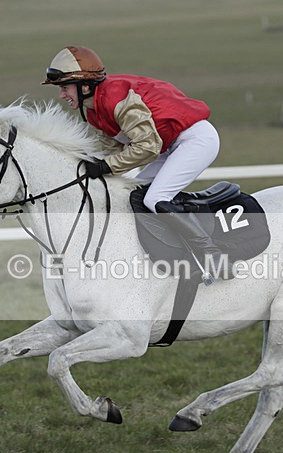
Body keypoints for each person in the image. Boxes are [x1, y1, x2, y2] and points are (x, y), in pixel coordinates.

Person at [42, 45, 227, 279]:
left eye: (65, 88)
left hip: (195, 140)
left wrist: (104, 167)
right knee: (129, 196)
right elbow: (114, 153)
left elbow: (146, 147)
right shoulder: (93, 112)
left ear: (85, 85)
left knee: (155, 198)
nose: (62, 95)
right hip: (168, 147)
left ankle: (212, 256)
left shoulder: (114, 99)